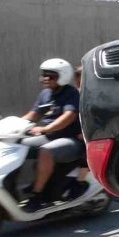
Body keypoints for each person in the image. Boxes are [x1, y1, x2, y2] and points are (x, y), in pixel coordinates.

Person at [20, 58, 86, 211]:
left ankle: (37, 196)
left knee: (46, 151)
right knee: (18, 145)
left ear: (63, 76)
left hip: (71, 139)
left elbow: (68, 116)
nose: (45, 78)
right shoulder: (45, 94)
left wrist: (45, 129)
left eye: (50, 76)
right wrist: (14, 125)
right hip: (49, 136)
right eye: (44, 75)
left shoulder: (71, 93)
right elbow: (33, 114)